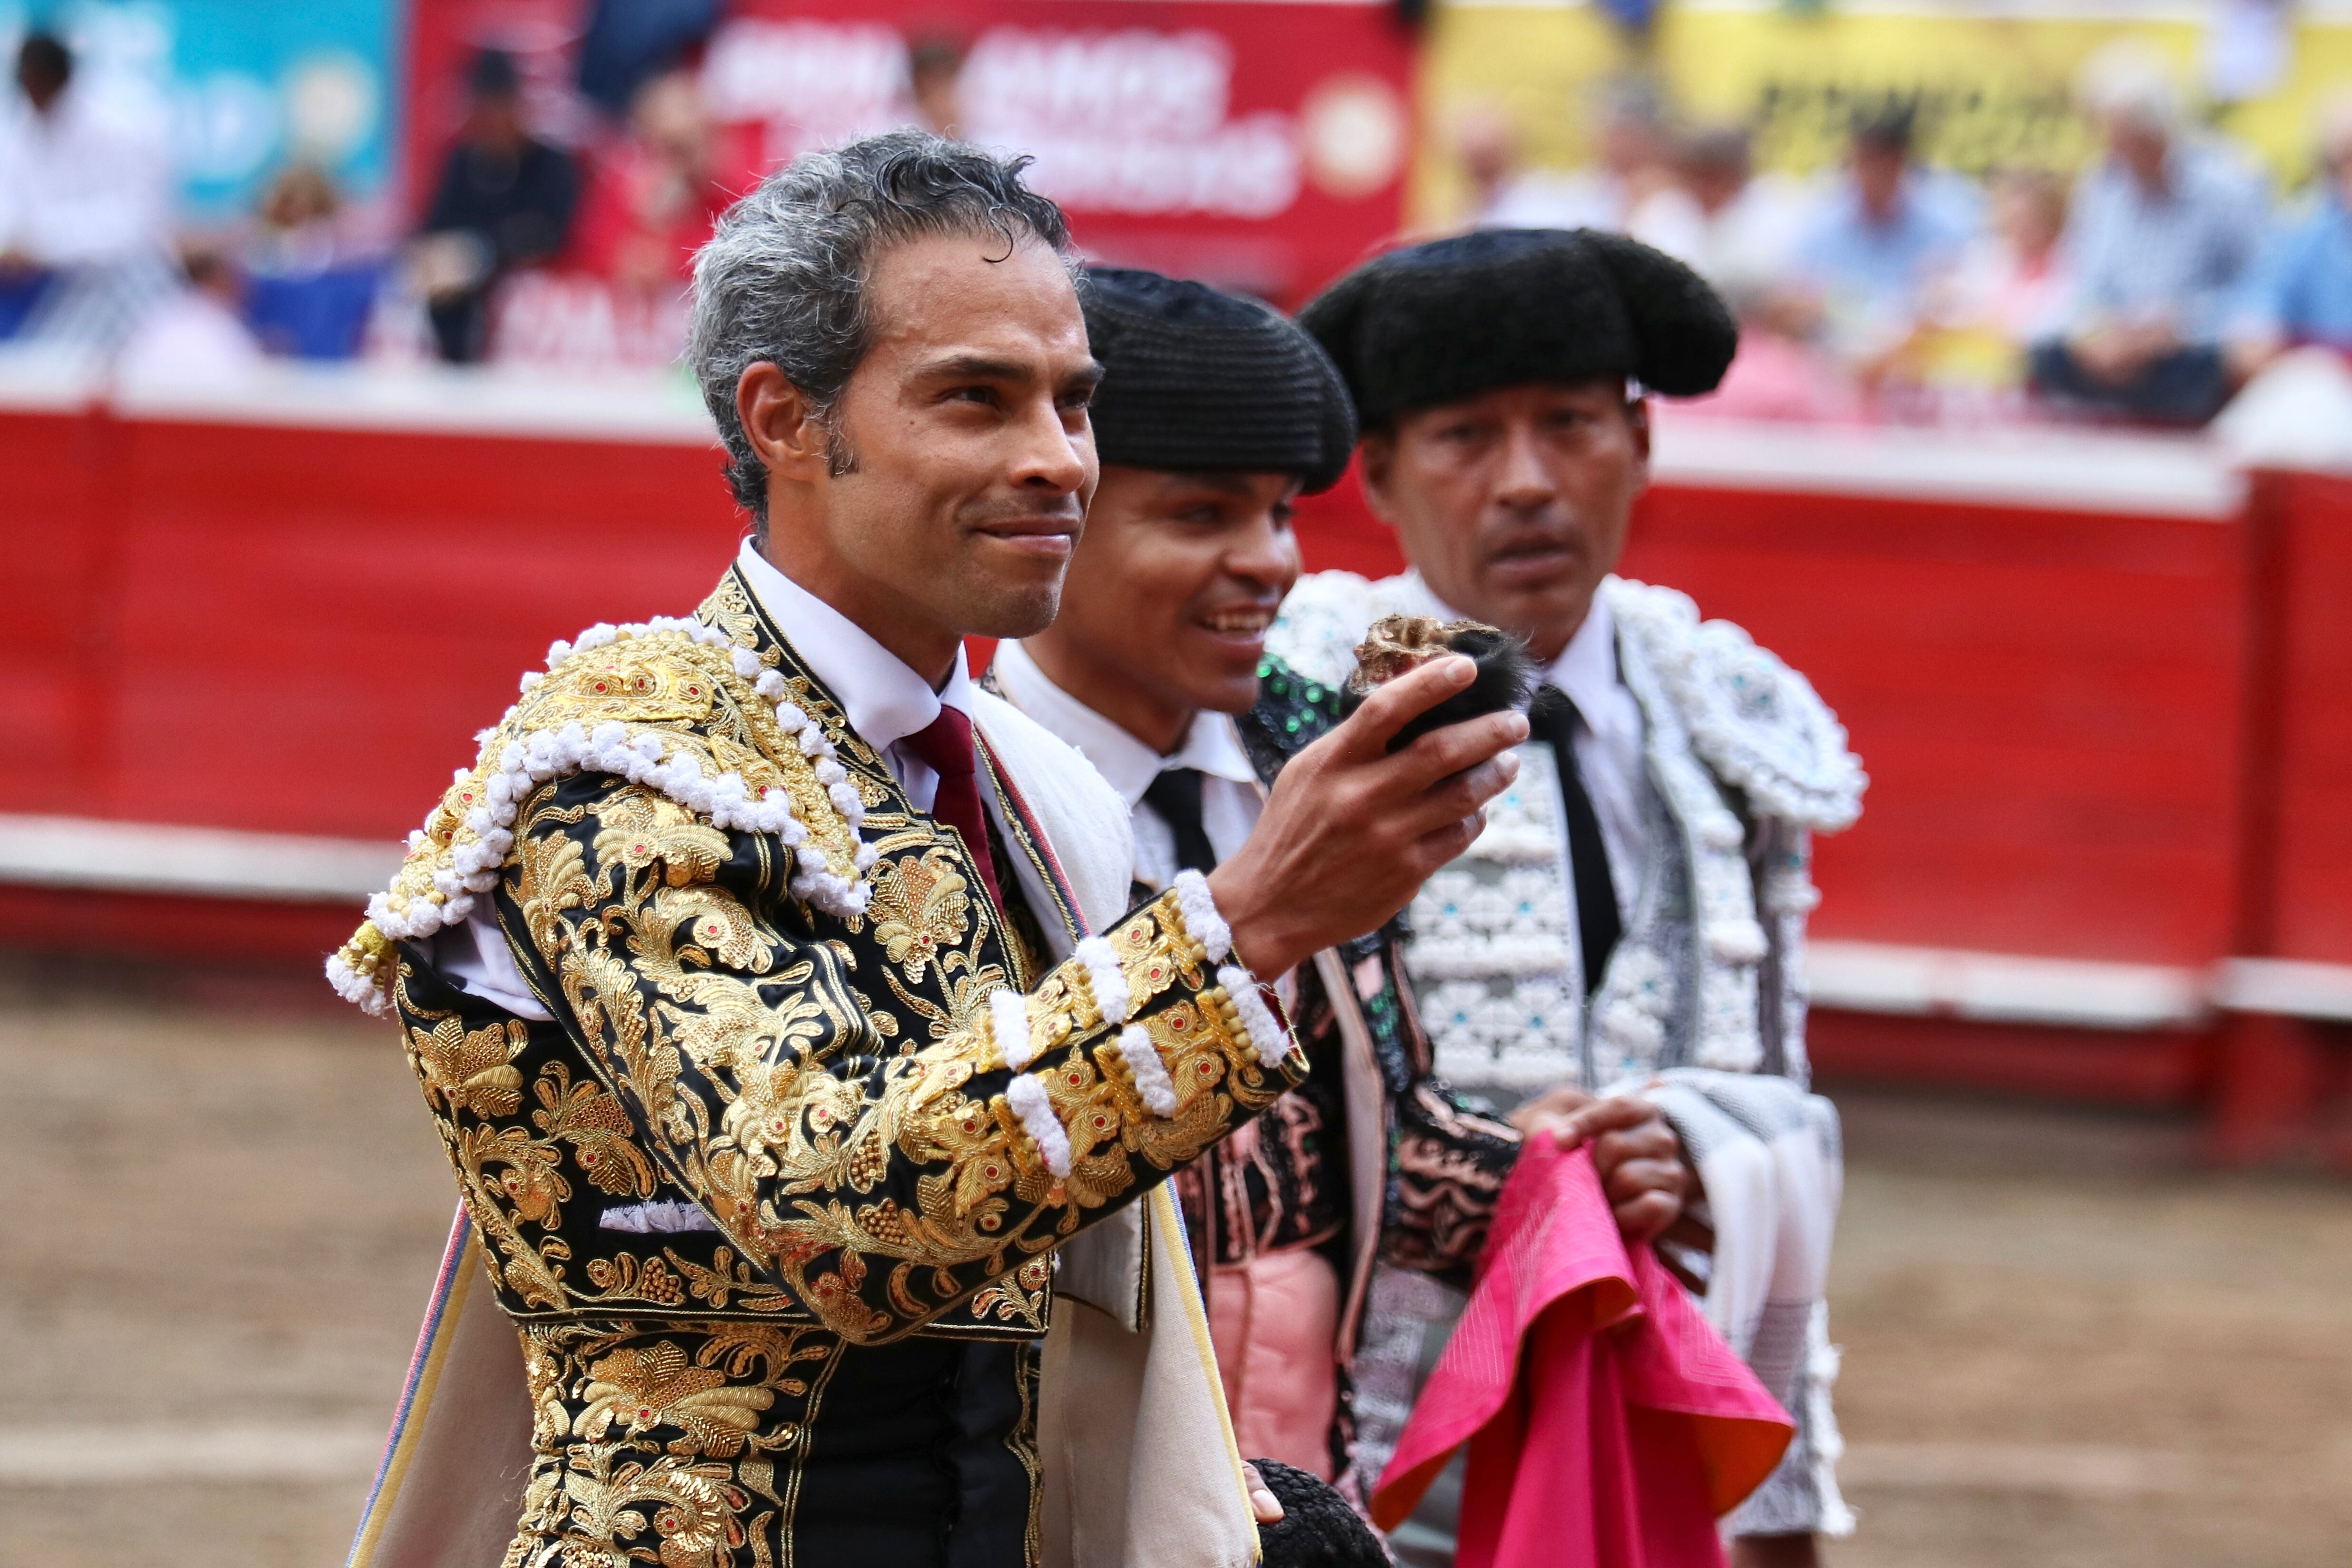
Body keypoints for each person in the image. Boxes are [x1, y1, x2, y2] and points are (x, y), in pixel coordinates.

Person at [331, 131, 1526, 1567]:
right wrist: (1248, 925)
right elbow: (842, 1214)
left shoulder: (1030, 781)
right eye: (976, 400)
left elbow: (1053, 1272)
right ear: (784, 419)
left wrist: (1182, 1481)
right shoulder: (623, 779)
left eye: (1073, 404)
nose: (1055, 460)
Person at [988, 266, 1690, 1489]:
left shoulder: (1321, 749)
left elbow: (1355, 1136)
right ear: (1065, 515)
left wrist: (1531, 1171)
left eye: (1278, 514)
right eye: (1202, 516)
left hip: (1313, 1462)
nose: (1269, 562)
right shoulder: (943, 787)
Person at [1274, 226, 1866, 1567]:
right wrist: (1491, 1164)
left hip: (1666, 1400)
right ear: (1376, 475)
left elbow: (1779, 1084)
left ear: (1641, 441)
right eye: (1465, 437)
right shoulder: (1292, 711)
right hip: (1374, 1429)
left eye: (1569, 425)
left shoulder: (1727, 712)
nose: (1527, 481)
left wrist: (1707, 1158)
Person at [2027, 47, 2268, 424]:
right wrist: (2096, 334)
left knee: (2219, 364)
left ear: (2159, 129)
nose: (2113, 147)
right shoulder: (2101, 187)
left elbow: (2260, 292)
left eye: (2126, 136)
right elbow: (2084, 285)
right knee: (2045, 352)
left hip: (2186, 352)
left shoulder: (2229, 186)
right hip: (2115, 345)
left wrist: (2181, 326)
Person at [0, 30, 175, 348]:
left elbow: (134, 226)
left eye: (35, 83)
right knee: (39, 369)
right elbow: (12, 208)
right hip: (55, 290)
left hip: (129, 282)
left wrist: (38, 244)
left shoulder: (122, 126)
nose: (29, 93)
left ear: (57, 79)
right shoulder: (19, 129)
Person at [414, 49, 581, 363]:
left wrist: (479, 253)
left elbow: (553, 232)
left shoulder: (550, 165)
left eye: (502, 107)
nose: (495, 120)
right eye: (485, 109)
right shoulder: (461, 163)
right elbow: (433, 226)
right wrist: (440, 254)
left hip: (530, 312)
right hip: (456, 295)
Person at [1786, 105, 1976, 381]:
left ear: (1903, 163)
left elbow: (1955, 302)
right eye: (1867, 161)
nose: (1876, 172)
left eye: (1886, 161)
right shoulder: (1820, 222)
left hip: (1915, 366)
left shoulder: (1946, 221)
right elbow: (1797, 300)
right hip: (1832, 361)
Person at [2227, 98, 2352, 376]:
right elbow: (2261, 295)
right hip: (2325, 388)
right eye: (2346, 160)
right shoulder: (2308, 227)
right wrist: (2256, 328)